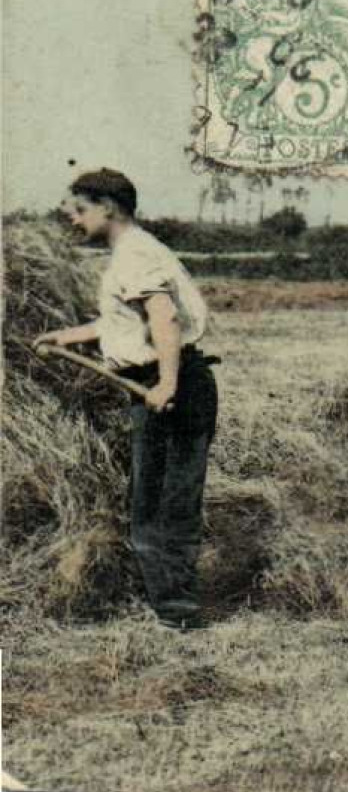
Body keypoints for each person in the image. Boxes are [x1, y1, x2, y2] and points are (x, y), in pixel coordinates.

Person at [34, 168, 217, 631]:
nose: (73, 220)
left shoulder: (136, 253)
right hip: (160, 381)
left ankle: (176, 612)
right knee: (153, 498)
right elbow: (121, 325)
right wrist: (67, 336)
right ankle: (171, 602)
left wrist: (168, 383)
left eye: (79, 209)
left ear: (108, 208)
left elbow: (164, 318)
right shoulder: (129, 254)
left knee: (163, 501)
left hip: (168, 385)